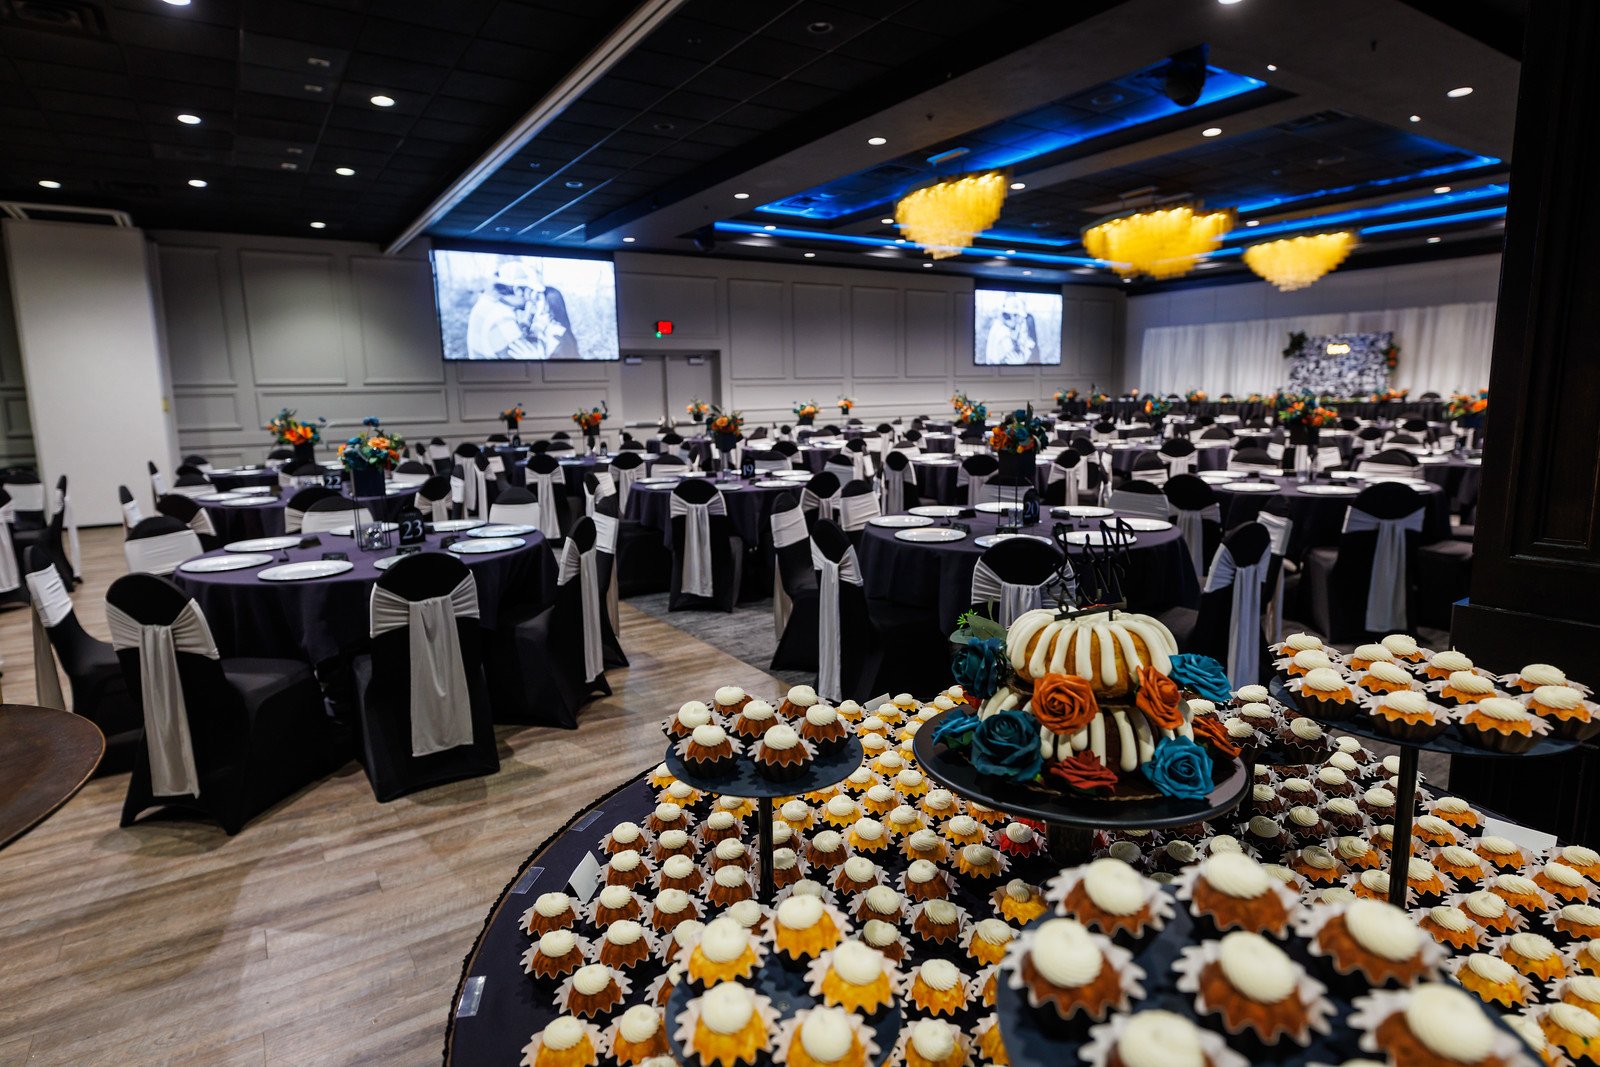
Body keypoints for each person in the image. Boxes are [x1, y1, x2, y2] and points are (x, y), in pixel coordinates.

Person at [464, 260, 579, 360]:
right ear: (518, 290)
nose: (531, 300)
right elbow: (526, 366)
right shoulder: (501, 318)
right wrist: (539, 323)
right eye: (530, 292)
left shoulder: (487, 304)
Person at [984, 293, 1041, 365]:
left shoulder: (999, 326)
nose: (1020, 321)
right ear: (1013, 316)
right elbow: (1017, 362)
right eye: (1019, 317)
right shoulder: (1003, 334)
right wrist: (1028, 348)